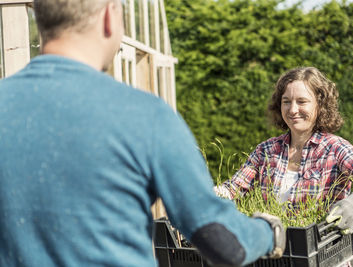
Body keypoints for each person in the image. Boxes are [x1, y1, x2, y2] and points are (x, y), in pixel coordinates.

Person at [0, 0, 285, 266]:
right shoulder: (145, 115)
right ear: (110, 16)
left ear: (40, 20)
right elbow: (222, 241)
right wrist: (268, 232)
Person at [215, 67, 353, 235]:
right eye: (286, 102)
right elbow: (232, 190)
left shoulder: (334, 148)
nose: (293, 110)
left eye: (302, 102)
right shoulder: (266, 151)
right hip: (279, 254)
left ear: (320, 105)